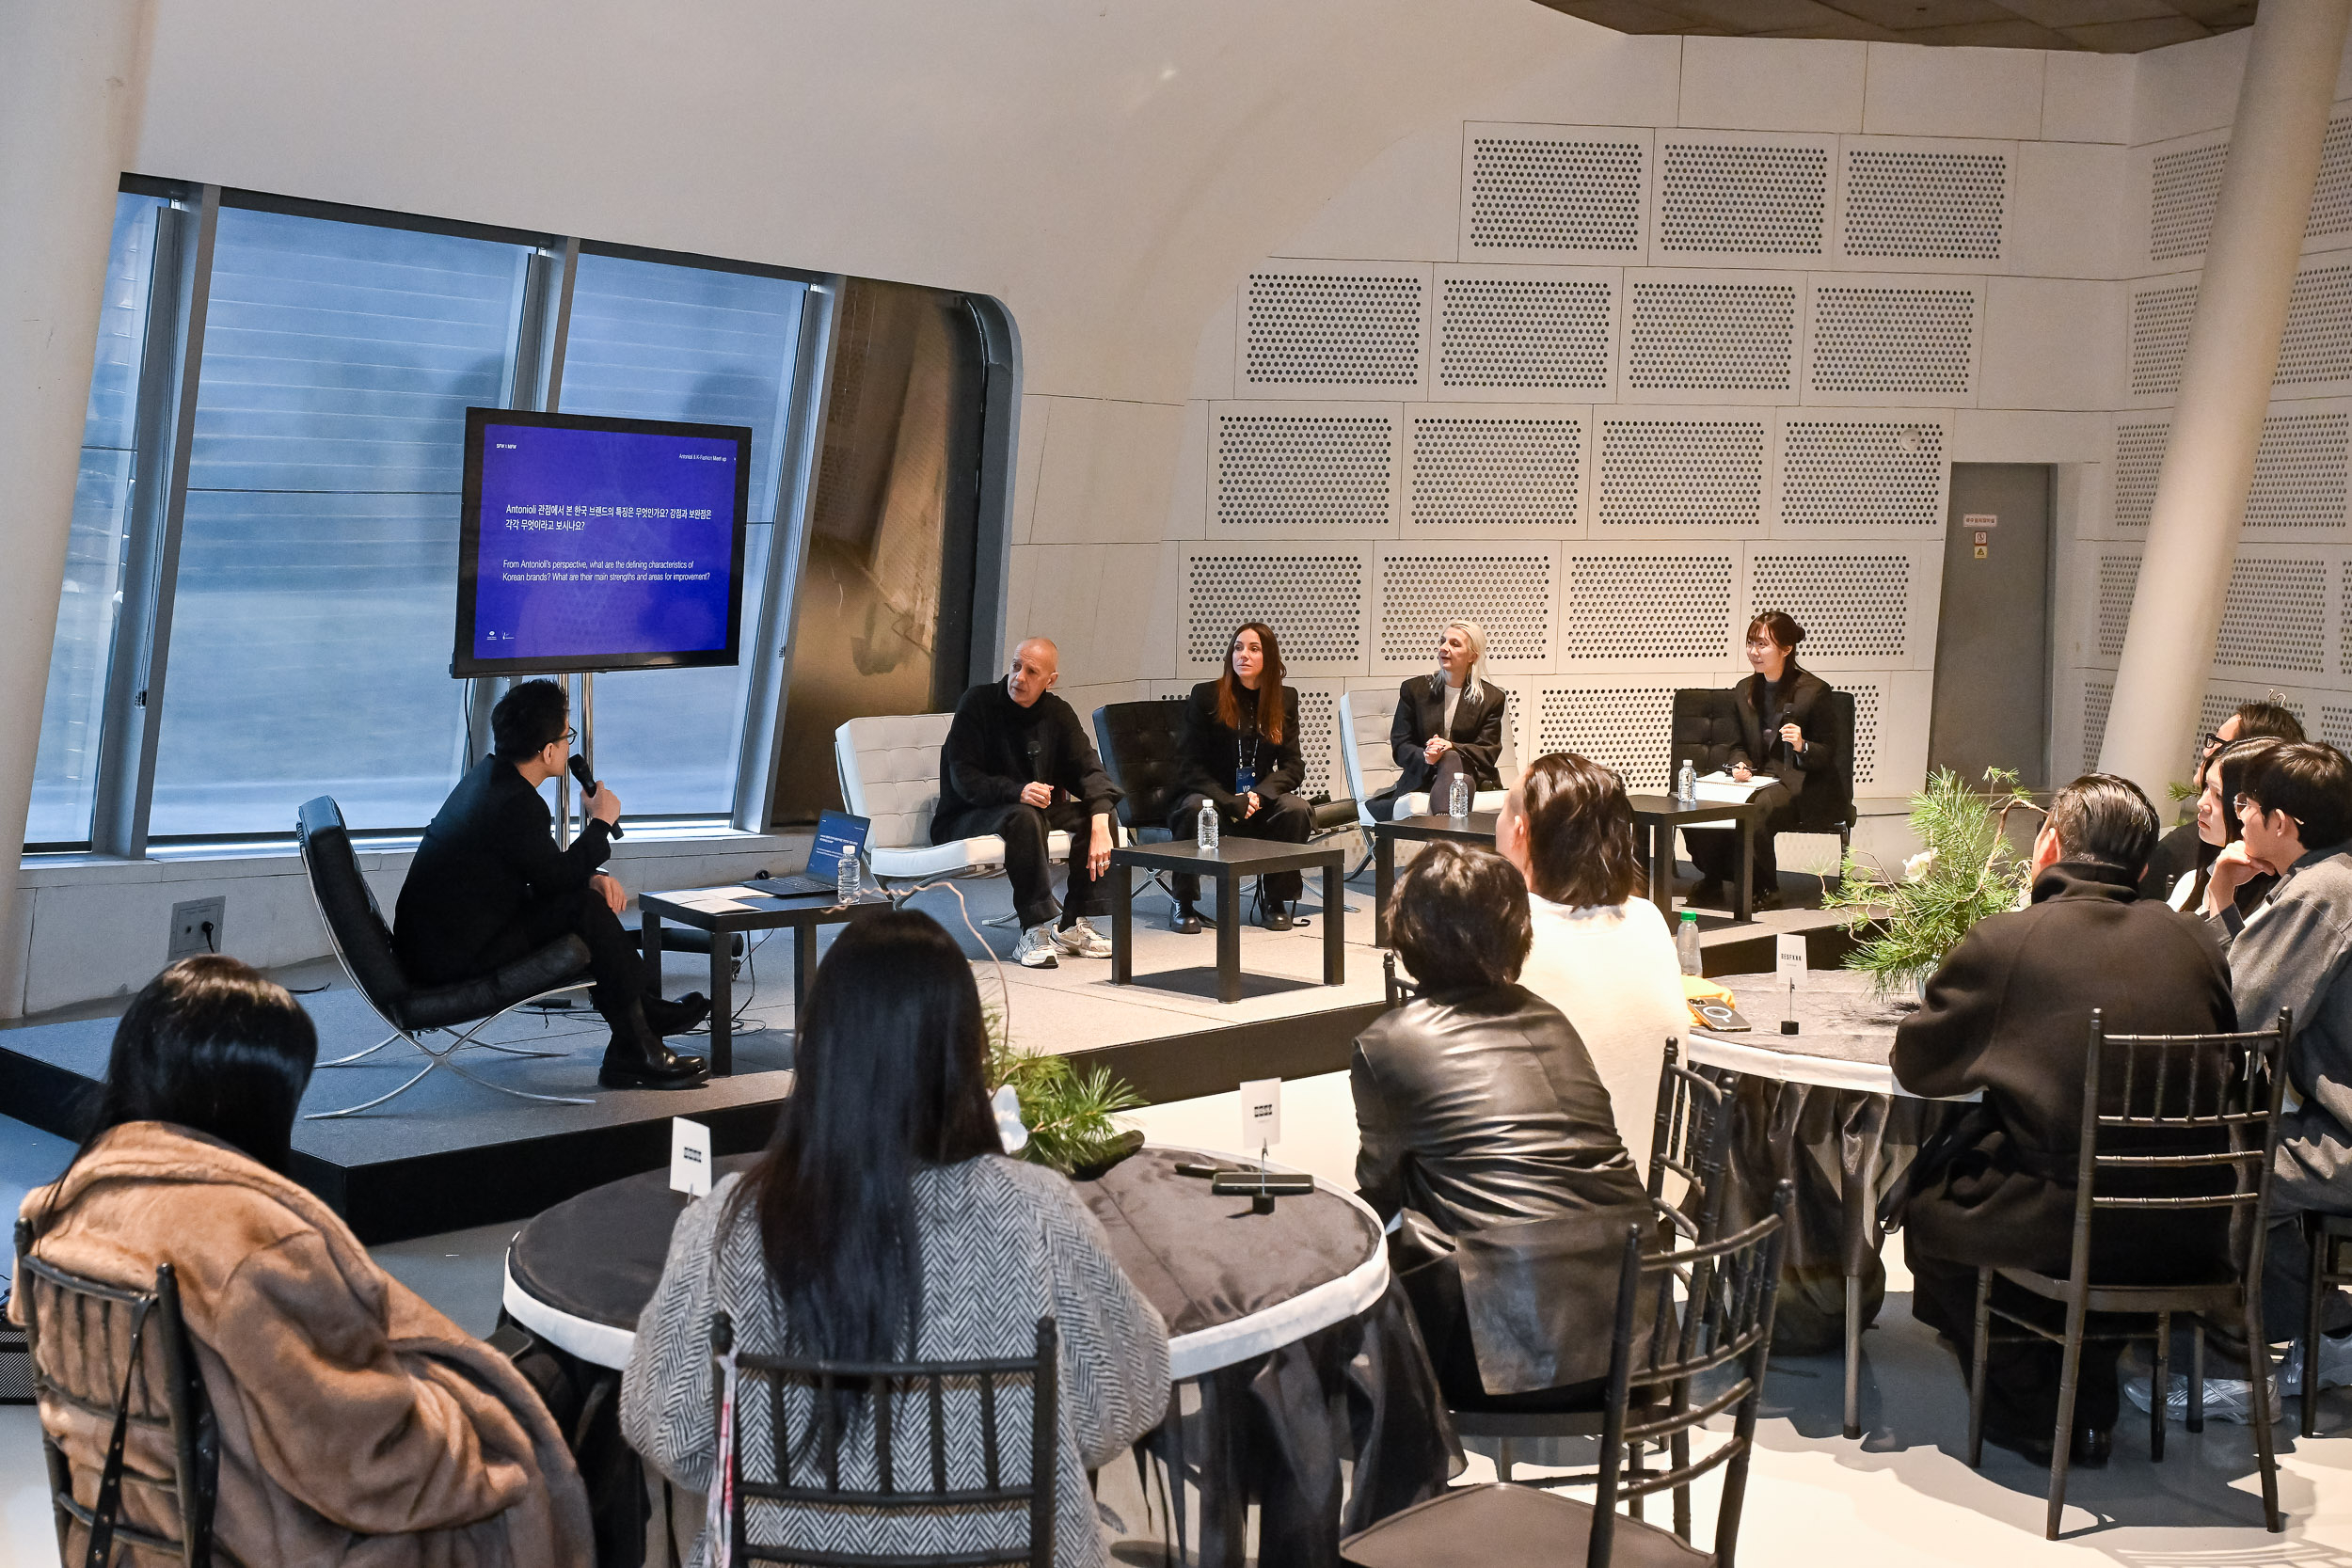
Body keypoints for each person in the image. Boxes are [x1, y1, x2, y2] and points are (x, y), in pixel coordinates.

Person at [622, 910, 1169, 1568]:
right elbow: (1128, 1399)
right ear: (969, 1054)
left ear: (814, 1048)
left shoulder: (728, 1224)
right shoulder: (1039, 1213)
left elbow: (669, 1433)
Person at [11, 956, 591, 1567]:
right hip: (273, 1546)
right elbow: (369, 1468)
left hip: (129, 1541)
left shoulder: (58, 1210)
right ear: (259, 1100)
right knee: (557, 1398)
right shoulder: (255, 1243)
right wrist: (470, 1431)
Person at [1893, 774, 2236, 1467]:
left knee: (1928, 1214)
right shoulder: (2197, 943)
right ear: (2143, 868)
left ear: (2048, 843)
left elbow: (1919, 1065)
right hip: (2195, 1223)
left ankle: (2036, 1409)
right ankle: (2088, 1388)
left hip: (2065, 1222)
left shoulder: (2010, 940)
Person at [1354, 841, 1648, 1410]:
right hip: (1632, 1334)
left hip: (1503, 1358)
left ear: (1408, 933)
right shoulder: (1551, 1018)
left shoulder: (1388, 1043)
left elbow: (1380, 1191)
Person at [394, 678, 708, 1090]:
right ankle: (640, 1033)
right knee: (585, 911)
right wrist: (601, 822)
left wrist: (591, 876)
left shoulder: (490, 779)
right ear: (547, 751)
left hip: (440, 942)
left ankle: (639, 1028)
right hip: (452, 958)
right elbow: (554, 880)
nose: (566, 745)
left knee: (583, 905)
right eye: (566, 736)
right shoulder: (517, 803)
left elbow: (542, 871)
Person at [2201, 740, 2352, 1393]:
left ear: (2282, 822)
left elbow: (2235, 1012)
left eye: (2245, 802)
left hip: (2342, 1142)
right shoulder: (2333, 877)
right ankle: (2333, 1330)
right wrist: (2224, 893)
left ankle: (2230, 1374)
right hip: (2332, 1126)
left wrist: (2218, 900)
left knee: (2214, 1174)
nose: (2238, 814)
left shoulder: (2319, 895)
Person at [1494, 752, 1688, 1177]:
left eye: (1504, 808)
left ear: (1520, 831)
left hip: (1540, 1196)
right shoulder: (1649, 919)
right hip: (1658, 1186)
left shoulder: (1507, 931)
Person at [932, 637, 1121, 970]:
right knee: (1024, 816)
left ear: (1051, 680)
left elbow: (1088, 768)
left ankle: (1073, 924)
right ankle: (1033, 928)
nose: (1019, 677)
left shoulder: (1057, 713)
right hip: (967, 814)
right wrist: (1016, 791)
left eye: (1031, 672)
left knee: (1097, 815)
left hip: (1028, 812)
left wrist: (1100, 817)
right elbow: (964, 778)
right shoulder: (977, 703)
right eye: (1015, 666)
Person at [1683, 611, 1837, 911]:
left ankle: (1766, 886)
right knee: (1696, 801)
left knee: (1759, 807)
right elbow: (1737, 744)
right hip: (1757, 778)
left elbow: (1828, 752)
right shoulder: (1744, 689)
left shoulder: (1814, 691)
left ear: (1786, 649)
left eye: (1763, 644)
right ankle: (1714, 877)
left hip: (1799, 781)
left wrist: (1802, 745)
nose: (1754, 651)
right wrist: (1739, 764)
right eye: (1750, 643)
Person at [1167, 622, 1315, 930]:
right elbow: (1188, 766)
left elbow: (1293, 765)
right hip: (1212, 794)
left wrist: (1258, 795)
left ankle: (1275, 900)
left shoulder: (1285, 699)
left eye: (1253, 649)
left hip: (1257, 797)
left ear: (1268, 658)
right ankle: (1182, 902)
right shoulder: (1206, 696)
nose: (1243, 655)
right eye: (1237, 647)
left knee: (1296, 809)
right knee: (1194, 808)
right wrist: (1228, 800)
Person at [2137, 699, 2305, 904]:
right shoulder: (2191, 871)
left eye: (2222, 746)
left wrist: (2221, 892)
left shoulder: (2289, 894)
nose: (2208, 751)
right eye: (2207, 788)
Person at [1369, 620, 1509, 821]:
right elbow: (1401, 745)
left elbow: (1488, 751)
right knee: (1461, 780)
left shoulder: (1491, 698)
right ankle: (1448, 832)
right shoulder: (1414, 690)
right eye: (1443, 641)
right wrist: (1428, 757)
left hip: (1471, 773)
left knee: (1452, 760)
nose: (1444, 648)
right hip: (1423, 774)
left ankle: (1441, 831)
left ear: (1472, 656)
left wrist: (1450, 747)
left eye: (1454, 644)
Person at [2156, 737, 2285, 915]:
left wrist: (2221, 891)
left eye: (2218, 795)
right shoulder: (2191, 881)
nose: (2201, 803)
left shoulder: (2279, 901)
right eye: (2206, 787)